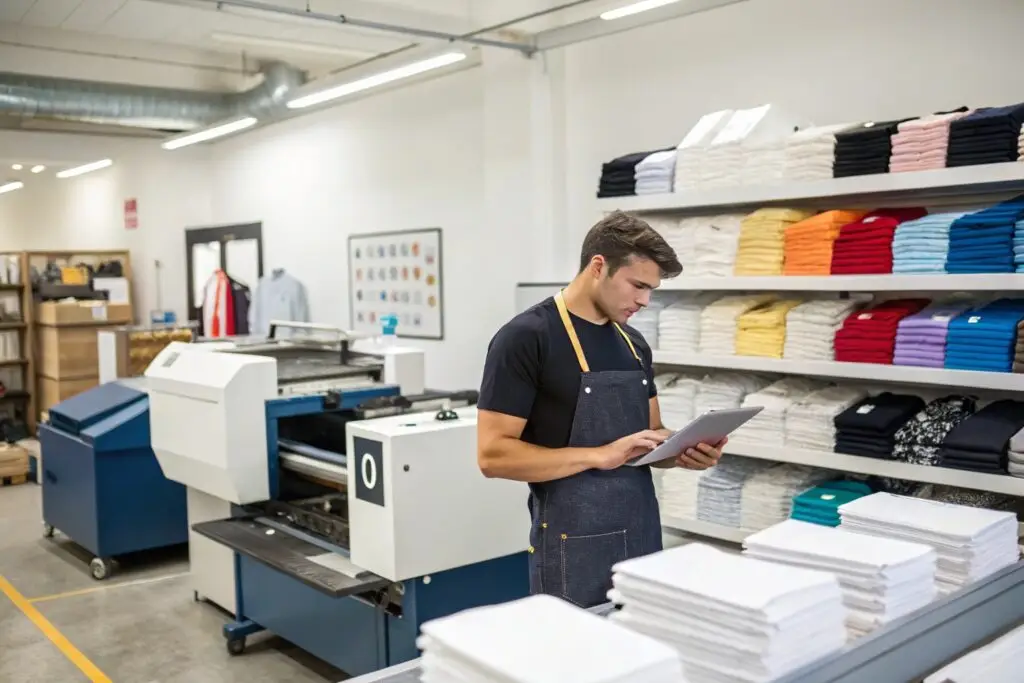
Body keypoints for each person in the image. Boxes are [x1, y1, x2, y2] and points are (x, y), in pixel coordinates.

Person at [476, 210, 726, 609]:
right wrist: (598, 455)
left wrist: (682, 451)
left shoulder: (634, 344)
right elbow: (492, 456)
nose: (645, 300)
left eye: (651, 290)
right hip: (572, 541)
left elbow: (650, 436)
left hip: (641, 531)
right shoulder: (525, 339)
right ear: (598, 267)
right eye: (638, 286)